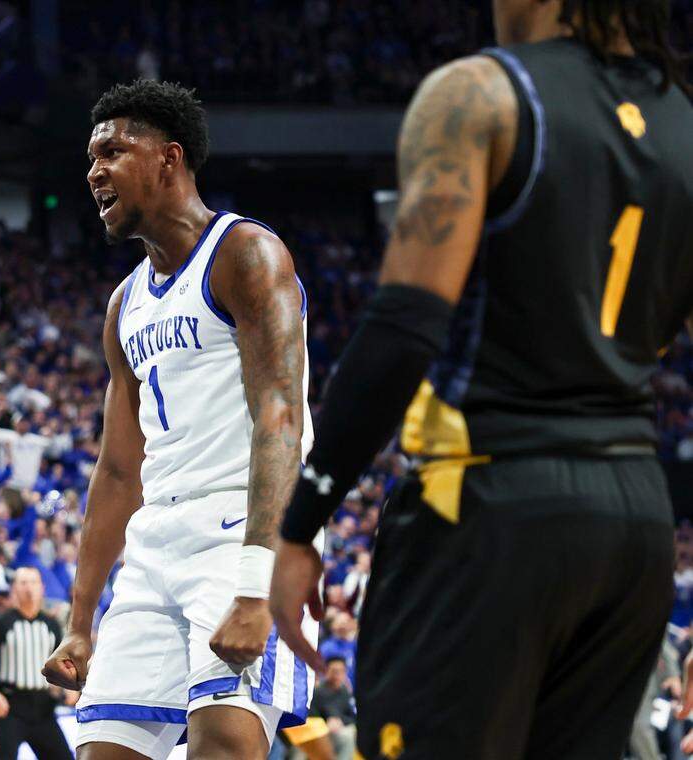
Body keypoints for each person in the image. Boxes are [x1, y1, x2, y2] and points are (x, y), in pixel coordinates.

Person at [270, 1, 693, 758]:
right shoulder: (684, 120)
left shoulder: (479, 94)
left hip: (495, 501)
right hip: (636, 517)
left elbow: (403, 327)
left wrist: (302, 522)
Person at [42, 79, 317, 760]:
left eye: (111, 152)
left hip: (240, 530)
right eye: (90, 158)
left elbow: (280, 421)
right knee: (102, 751)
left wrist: (255, 586)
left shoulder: (244, 253)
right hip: (154, 545)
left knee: (222, 746)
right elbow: (117, 470)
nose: (94, 172)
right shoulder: (124, 304)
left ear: (169, 157)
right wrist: (80, 621)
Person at [0, 567, 68, 759]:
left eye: (33, 582)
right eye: (23, 583)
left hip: (44, 706)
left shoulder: (51, 625)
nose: (29, 588)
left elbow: (61, 661)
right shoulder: (2, 622)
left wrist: (69, 689)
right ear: (14, 589)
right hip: (11, 706)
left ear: (42, 588)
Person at [308, 658, 356, 760]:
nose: (337, 675)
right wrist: (326, 722)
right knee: (346, 738)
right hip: (320, 729)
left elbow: (353, 715)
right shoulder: (317, 691)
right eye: (334, 671)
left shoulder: (345, 692)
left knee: (351, 734)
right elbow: (311, 715)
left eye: (341, 671)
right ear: (327, 671)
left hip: (340, 727)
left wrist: (341, 721)